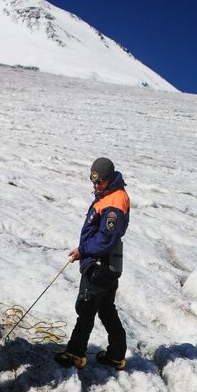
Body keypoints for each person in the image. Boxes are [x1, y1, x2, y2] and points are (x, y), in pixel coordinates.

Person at [55, 157, 129, 371]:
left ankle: (76, 353)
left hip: (100, 264)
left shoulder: (115, 201)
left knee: (86, 307)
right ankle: (116, 355)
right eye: (93, 182)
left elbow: (106, 238)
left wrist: (83, 250)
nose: (96, 186)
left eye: (100, 182)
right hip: (108, 264)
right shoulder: (109, 195)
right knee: (106, 309)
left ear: (110, 178)